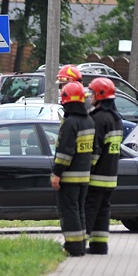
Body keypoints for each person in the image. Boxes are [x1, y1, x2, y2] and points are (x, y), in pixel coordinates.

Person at [50, 82, 94, 257]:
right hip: (84, 176)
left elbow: (64, 152)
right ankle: (81, 245)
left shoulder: (70, 123)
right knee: (79, 211)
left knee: (69, 212)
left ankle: (73, 248)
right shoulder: (89, 121)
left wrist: (56, 174)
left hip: (69, 177)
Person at [84, 78, 123, 255]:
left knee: (89, 210)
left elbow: (94, 151)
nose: (90, 96)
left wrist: (86, 170)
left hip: (96, 176)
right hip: (111, 176)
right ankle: (99, 246)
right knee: (102, 211)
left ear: (100, 95)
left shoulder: (99, 119)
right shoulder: (116, 119)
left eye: (92, 93)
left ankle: (77, 243)